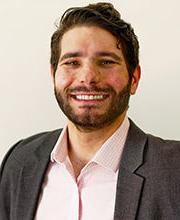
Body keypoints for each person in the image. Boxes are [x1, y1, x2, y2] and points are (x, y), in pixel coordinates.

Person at [0, 2, 180, 220]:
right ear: (53, 75)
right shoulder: (20, 160)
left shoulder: (173, 170)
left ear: (134, 78)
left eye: (106, 62)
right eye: (72, 62)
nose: (88, 77)